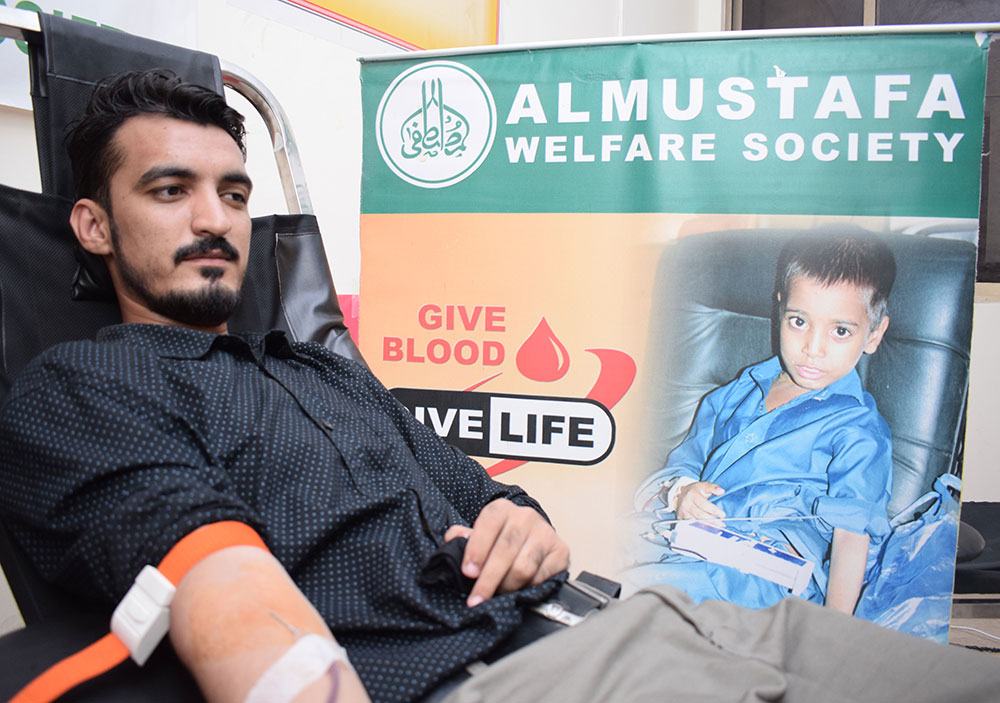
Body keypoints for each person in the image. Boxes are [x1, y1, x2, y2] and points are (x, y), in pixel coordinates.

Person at [1, 69, 999, 703]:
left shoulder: (316, 366)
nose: (215, 219)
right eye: (169, 190)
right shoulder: (85, 384)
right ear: (94, 226)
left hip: (636, 612)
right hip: (503, 674)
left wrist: (524, 522)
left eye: (232, 192)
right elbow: (217, 582)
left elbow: (484, 492)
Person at [626, 235, 895, 614]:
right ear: (780, 310)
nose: (813, 348)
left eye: (840, 331)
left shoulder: (858, 429)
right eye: (799, 322)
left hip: (764, 574)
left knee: (632, 596)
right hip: (681, 542)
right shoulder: (736, 392)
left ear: (874, 334)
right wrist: (682, 493)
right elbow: (682, 464)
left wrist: (835, 629)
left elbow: (851, 536)